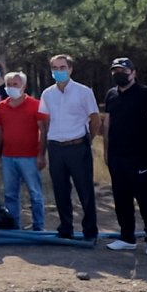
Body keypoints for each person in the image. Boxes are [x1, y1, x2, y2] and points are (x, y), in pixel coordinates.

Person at [101, 58, 147, 255]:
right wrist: (106, 151)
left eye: (123, 70)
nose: (119, 74)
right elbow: (107, 124)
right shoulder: (111, 95)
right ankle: (127, 237)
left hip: (140, 156)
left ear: (133, 73)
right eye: (115, 71)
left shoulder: (146, 94)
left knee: (146, 199)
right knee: (121, 198)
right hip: (117, 156)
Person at [38, 54, 101, 241]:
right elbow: (45, 121)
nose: (59, 71)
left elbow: (95, 119)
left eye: (62, 67)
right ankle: (66, 228)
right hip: (55, 147)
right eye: (55, 68)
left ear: (70, 69)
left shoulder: (83, 92)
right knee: (60, 190)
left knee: (84, 190)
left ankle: (90, 231)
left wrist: (87, 140)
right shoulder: (47, 94)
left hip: (77, 146)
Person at [0, 71, 48, 231]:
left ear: (23, 86)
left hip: (30, 157)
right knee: (10, 195)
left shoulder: (36, 105)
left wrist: (41, 155)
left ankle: (39, 227)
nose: (11, 87)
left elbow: (43, 131)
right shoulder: (1, 107)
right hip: (8, 157)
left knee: (35, 194)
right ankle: (14, 228)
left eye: (15, 84)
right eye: (8, 85)